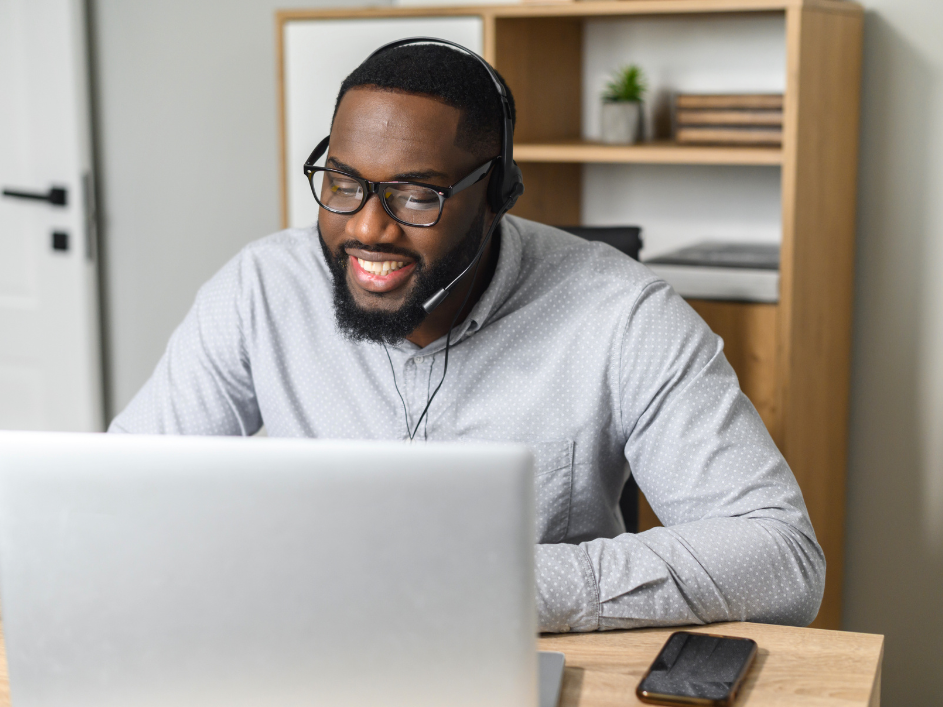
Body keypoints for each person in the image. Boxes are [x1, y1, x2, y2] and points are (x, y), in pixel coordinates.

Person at [110, 42, 825, 633]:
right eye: (342, 183)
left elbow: (780, 556)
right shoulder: (261, 287)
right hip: (308, 642)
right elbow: (121, 494)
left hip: (520, 655)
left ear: (498, 194)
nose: (365, 227)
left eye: (415, 195)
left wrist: (497, 584)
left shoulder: (623, 314)